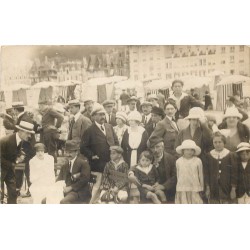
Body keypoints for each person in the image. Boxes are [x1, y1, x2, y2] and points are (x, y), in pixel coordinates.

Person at [81, 105, 119, 204]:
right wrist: (92, 155)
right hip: (98, 164)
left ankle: (109, 201)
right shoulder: (89, 131)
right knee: (97, 186)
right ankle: (92, 203)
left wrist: (117, 154)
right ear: (93, 116)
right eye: (100, 115)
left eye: (103, 114)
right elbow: (83, 148)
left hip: (111, 162)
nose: (103, 117)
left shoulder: (109, 126)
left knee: (111, 184)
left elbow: (116, 141)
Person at [129, 137, 177, 203]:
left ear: (162, 147)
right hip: (149, 188)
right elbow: (136, 166)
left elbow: (175, 177)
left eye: (157, 147)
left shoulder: (170, 159)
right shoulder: (148, 157)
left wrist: (163, 186)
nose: (155, 150)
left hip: (166, 190)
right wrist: (131, 172)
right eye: (152, 147)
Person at [0, 121, 35, 204]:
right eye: (28, 133)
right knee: (1, 195)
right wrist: (13, 163)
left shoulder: (21, 140)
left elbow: (13, 152)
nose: (29, 136)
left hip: (9, 171)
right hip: (1, 170)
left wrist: (19, 155)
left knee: (13, 194)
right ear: (21, 131)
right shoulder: (5, 140)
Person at [204, 132, 237, 204]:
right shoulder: (209, 155)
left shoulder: (230, 155)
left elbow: (234, 173)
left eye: (220, 142)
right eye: (215, 142)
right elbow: (206, 173)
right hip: (213, 188)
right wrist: (207, 187)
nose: (217, 144)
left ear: (224, 142)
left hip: (227, 187)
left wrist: (233, 188)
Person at [175, 140, 204, 204]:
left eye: (191, 150)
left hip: (194, 187)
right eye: (187, 150)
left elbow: (200, 175)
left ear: (194, 151)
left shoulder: (198, 161)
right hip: (182, 187)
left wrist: (201, 187)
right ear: (183, 150)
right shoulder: (178, 161)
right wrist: (179, 187)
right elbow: (178, 175)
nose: (189, 152)